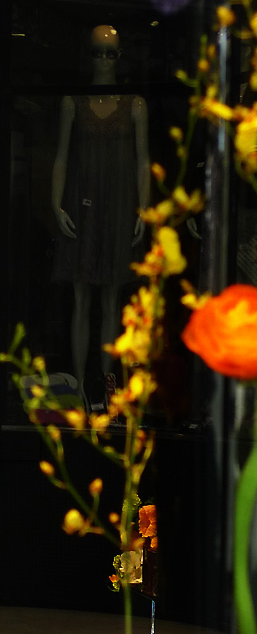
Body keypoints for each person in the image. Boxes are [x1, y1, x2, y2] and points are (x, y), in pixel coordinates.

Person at [51, 24, 150, 408]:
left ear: (120, 56)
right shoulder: (72, 102)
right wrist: (56, 204)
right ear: (88, 55)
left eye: (110, 53)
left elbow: (143, 162)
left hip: (119, 208)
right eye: (97, 52)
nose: (104, 60)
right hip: (83, 206)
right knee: (81, 298)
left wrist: (143, 207)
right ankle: (79, 386)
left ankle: (106, 390)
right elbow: (61, 156)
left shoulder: (135, 104)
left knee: (111, 299)